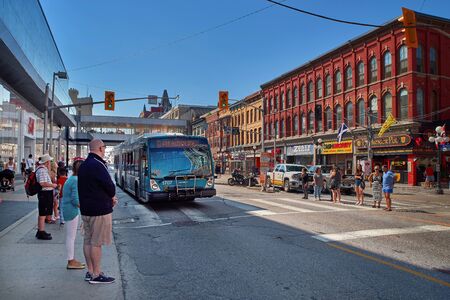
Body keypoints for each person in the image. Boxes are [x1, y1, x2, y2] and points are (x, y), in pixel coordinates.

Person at [78, 139, 117, 284]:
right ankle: (96, 274)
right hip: (99, 211)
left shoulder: (84, 165)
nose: (105, 150)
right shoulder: (98, 165)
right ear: (100, 148)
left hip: (86, 210)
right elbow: (110, 186)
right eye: (104, 147)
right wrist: (111, 197)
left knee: (88, 241)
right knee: (96, 243)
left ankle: (90, 271)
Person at [62, 159, 85, 269]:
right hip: (71, 210)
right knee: (71, 237)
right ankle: (71, 261)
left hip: (67, 209)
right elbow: (75, 200)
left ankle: (71, 260)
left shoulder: (71, 178)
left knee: (70, 237)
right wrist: (85, 208)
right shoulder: (76, 180)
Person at [35, 154, 58, 240]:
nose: (50, 162)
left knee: (42, 212)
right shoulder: (42, 171)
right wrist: (53, 185)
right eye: (50, 161)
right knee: (43, 213)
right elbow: (43, 183)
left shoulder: (42, 169)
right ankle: (41, 231)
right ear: (47, 162)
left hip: (45, 194)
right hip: (45, 194)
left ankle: (40, 230)